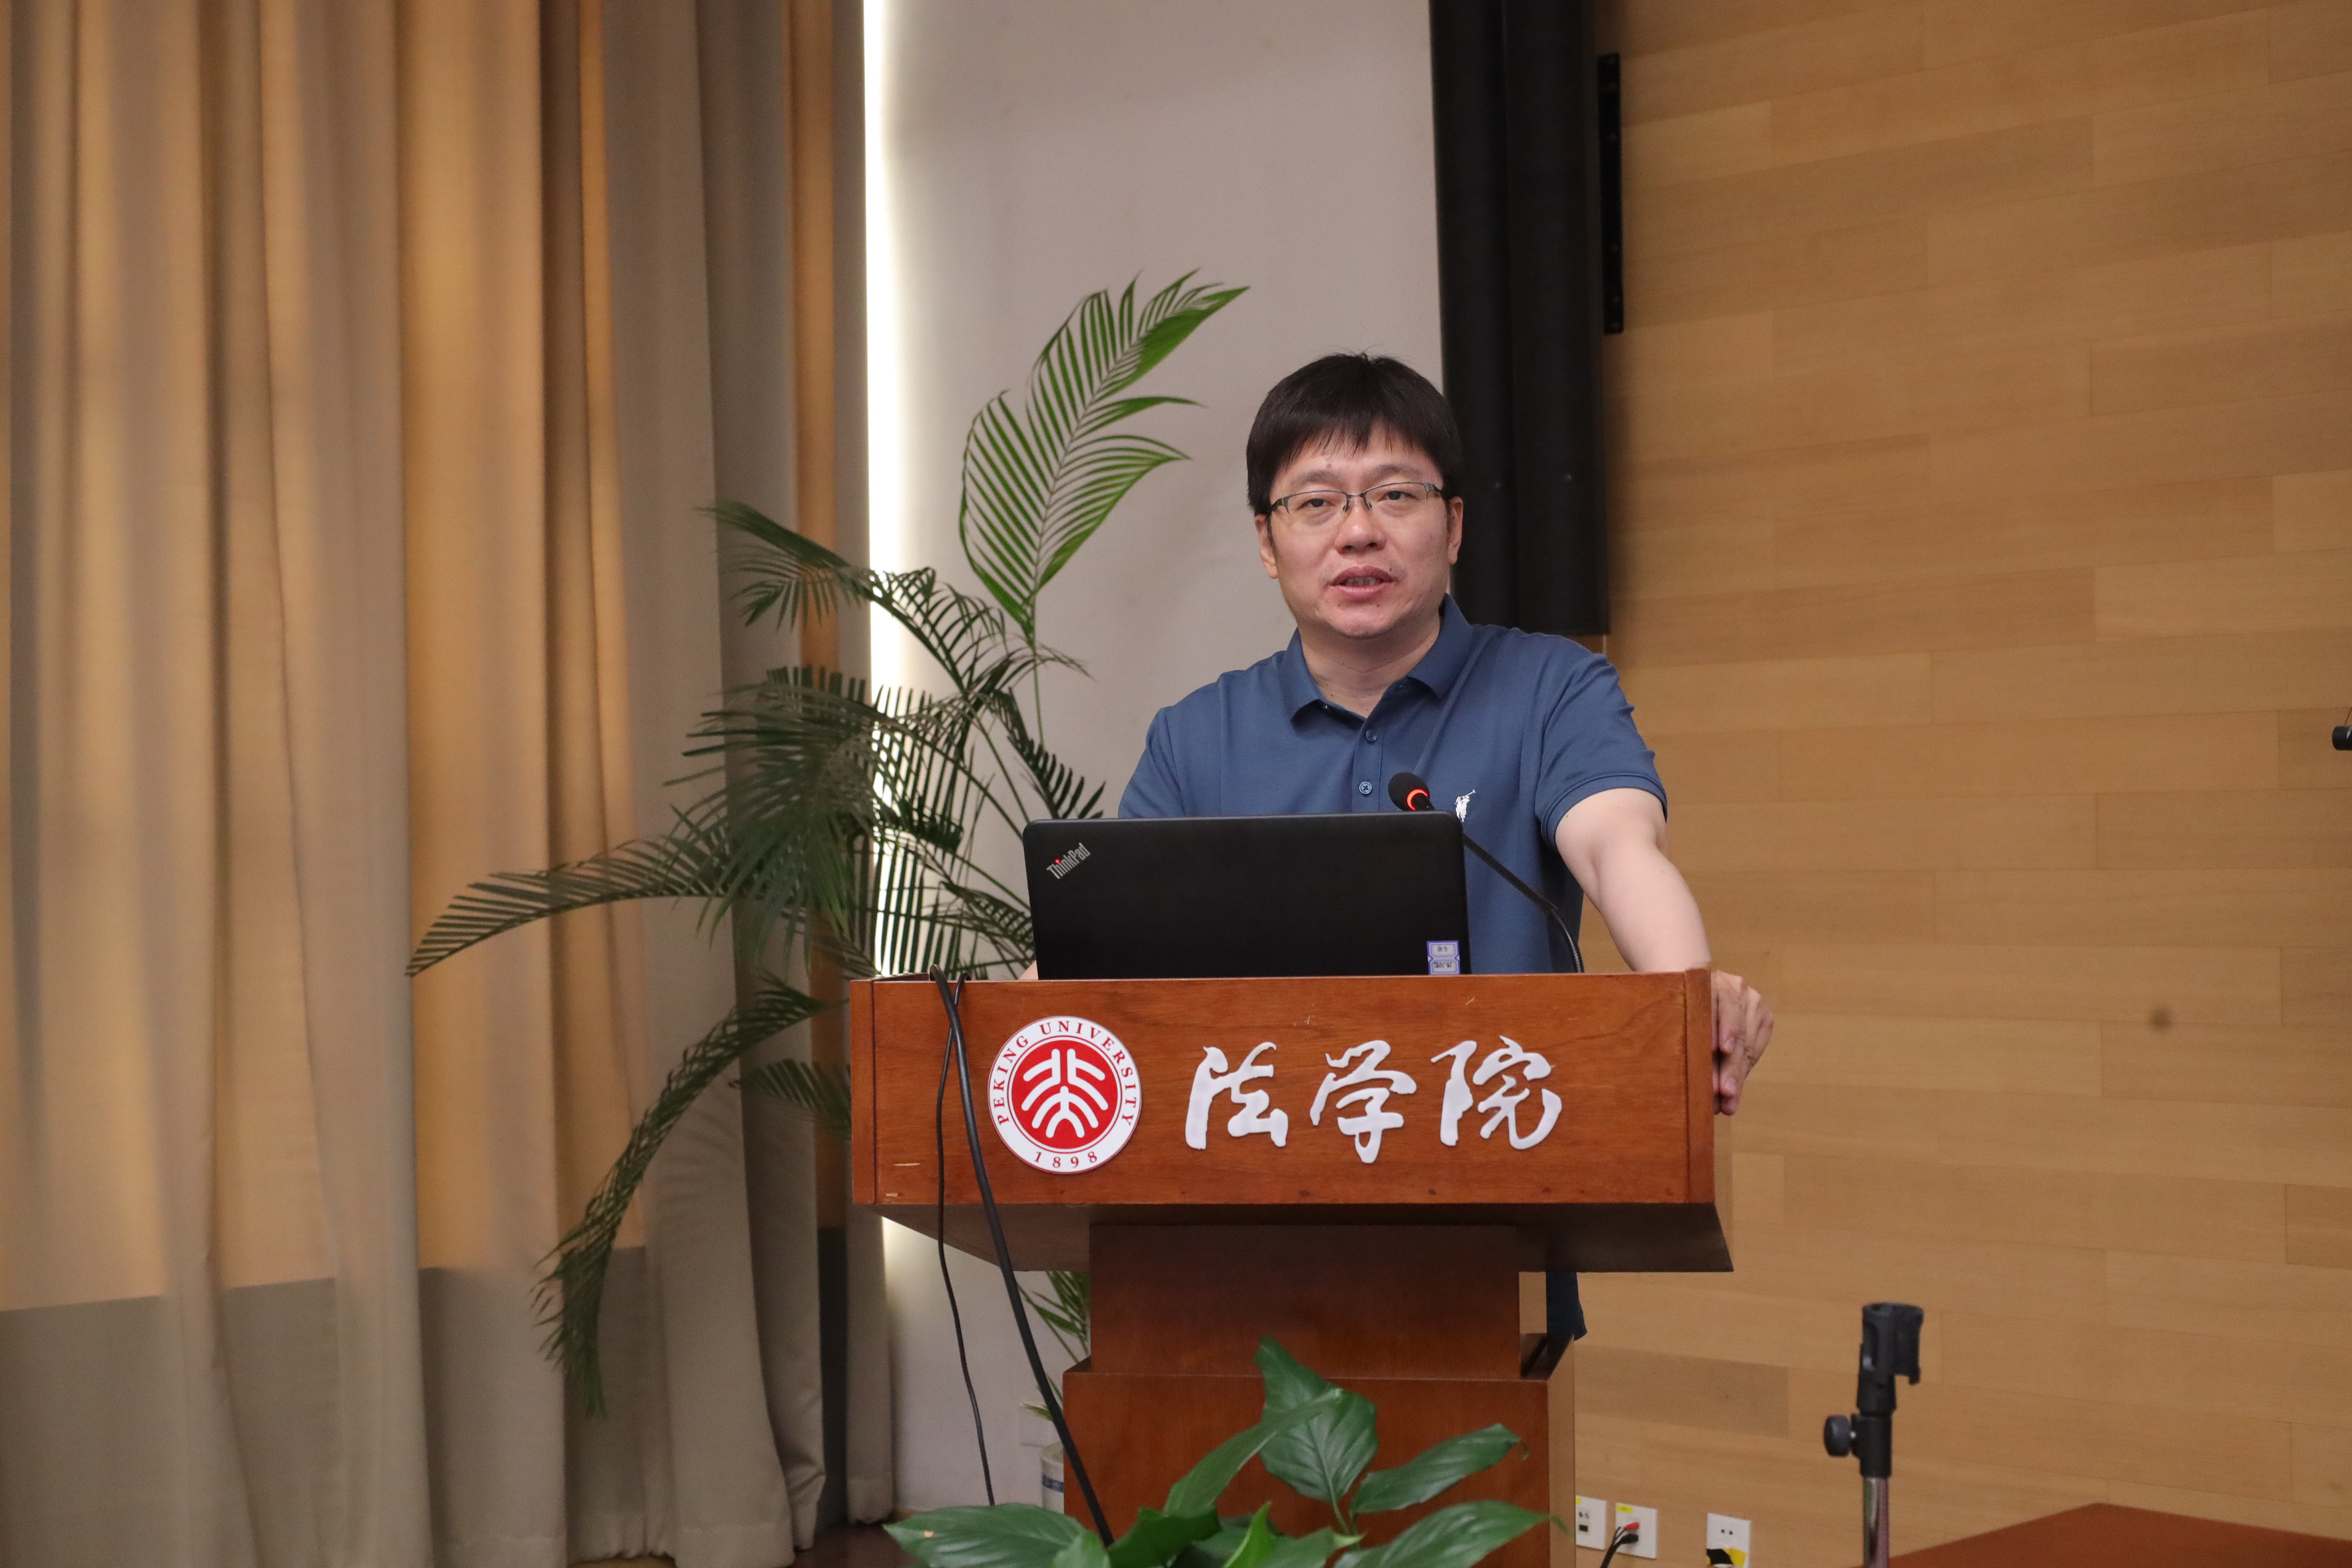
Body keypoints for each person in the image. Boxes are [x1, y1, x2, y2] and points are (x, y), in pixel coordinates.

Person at [1118, 352, 1775, 1335]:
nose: (1358, 531)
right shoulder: (1196, 736)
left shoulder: (1551, 690)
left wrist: (1684, 996)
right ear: (1266, 540)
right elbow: (1105, 953)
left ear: (1455, 525)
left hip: (1492, 1232)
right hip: (1231, 1252)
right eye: (1315, 503)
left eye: (1395, 495)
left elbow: (1620, 849)